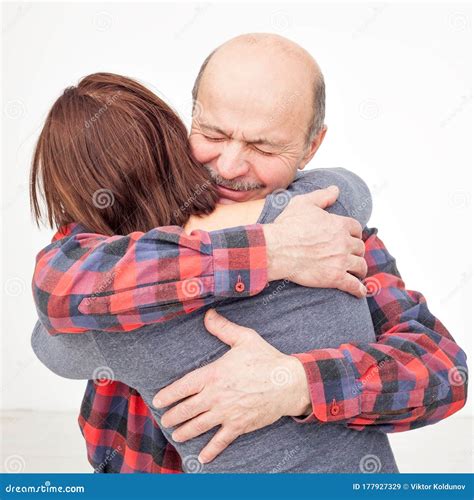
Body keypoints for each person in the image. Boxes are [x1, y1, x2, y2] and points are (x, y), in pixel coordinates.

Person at [31, 34, 468, 473]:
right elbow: (57, 291)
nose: (229, 167)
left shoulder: (333, 235)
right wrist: (270, 250)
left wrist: (296, 384)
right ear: (192, 116)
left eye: (263, 147)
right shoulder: (123, 215)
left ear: (311, 147)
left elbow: (443, 372)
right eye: (213, 134)